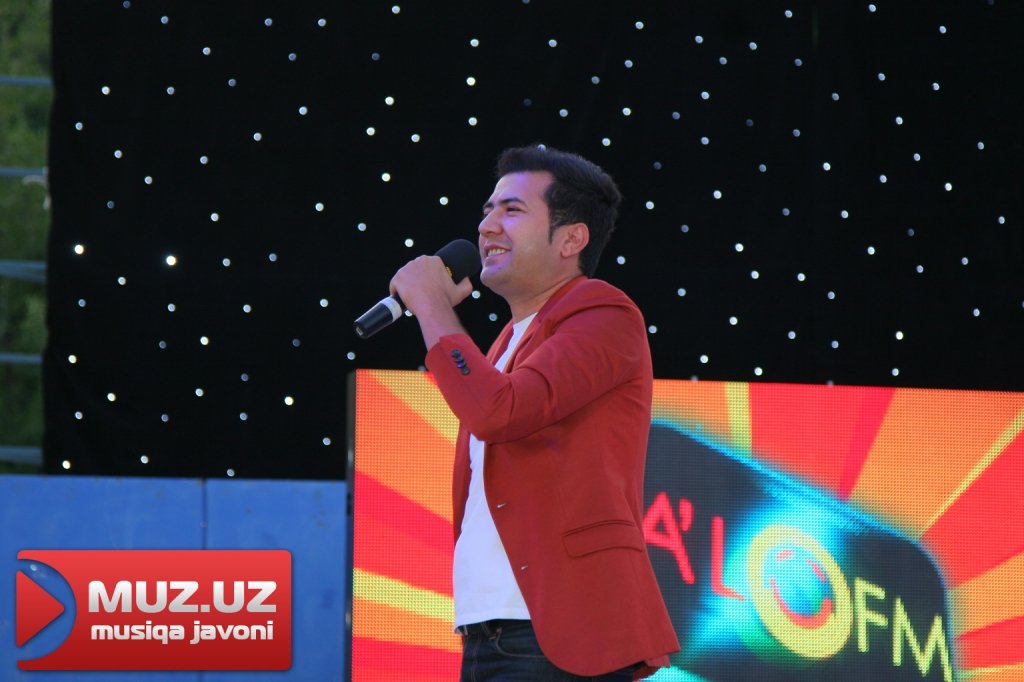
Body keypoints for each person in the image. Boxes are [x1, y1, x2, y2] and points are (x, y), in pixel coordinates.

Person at [390, 145, 679, 681]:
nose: (487, 226)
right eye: (487, 210)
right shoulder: (507, 342)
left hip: (558, 630)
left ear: (571, 239)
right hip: (489, 629)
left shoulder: (603, 312)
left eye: (512, 210)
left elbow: (498, 412)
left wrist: (430, 306)